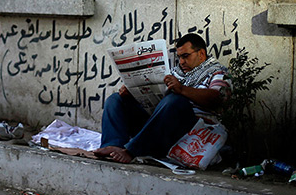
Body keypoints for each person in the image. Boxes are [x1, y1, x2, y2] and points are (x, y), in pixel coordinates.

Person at [94, 33, 231, 163]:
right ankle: (113, 144)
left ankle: (131, 151)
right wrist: (132, 94)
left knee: (175, 101)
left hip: (190, 131)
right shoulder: (175, 72)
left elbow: (217, 98)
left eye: (186, 56)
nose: (182, 62)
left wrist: (182, 90)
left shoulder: (218, 72)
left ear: (201, 54)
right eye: (179, 57)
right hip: (158, 128)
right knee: (116, 100)